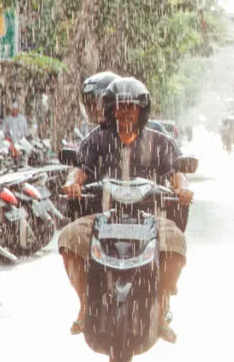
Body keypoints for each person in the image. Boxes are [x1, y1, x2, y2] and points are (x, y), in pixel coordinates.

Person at [59, 77, 193, 342]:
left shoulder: (158, 141)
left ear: (142, 110)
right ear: (110, 109)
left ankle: (163, 307)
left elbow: (175, 173)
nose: (126, 112)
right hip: (101, 217)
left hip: (150, 219)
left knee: (176, 243)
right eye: (120, 107)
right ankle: (85, 305)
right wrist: (72, 184)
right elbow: (80, 170)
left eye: (132, 107)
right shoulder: (96, 140)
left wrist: (183, 189)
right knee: (69, 238)